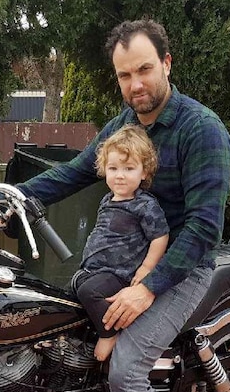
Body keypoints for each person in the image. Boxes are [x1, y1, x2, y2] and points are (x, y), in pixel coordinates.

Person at [13, 19, 230, 392]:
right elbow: (74, 172)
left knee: (127, 370)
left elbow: (202, 229)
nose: (135, 84)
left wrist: (148, 288)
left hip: (181, 267)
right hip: (126, 260)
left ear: (167, 65)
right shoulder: (123, 126)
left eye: (144, 70)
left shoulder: (202, 130)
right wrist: (9, 195)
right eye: (124, 75)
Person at [72, 124, 169, 362]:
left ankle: (110, 334)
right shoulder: (107, 199)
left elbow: (160, 236)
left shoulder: (144, 205)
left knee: (89, 292)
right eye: (113, 168)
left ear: (144, 172)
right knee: (69, 295)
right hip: (95, 270)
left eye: (129, 168)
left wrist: (146, 269)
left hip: (120, 273)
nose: (120, 175)